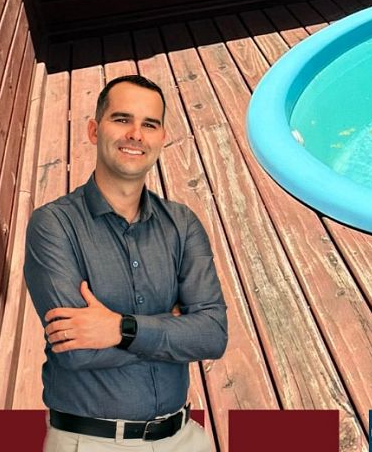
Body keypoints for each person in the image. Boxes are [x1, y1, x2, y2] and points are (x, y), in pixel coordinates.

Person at [23, 74, 228, 451]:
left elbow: (212, 334)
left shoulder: (182, 224)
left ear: (161, 138)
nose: (136, 134)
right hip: (90, 441)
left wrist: (121, 328)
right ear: (93, 130)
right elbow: (77, 348)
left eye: (149, 124)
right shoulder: (53, 224)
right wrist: (173, 327)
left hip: (184, 438)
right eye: (122, 119)